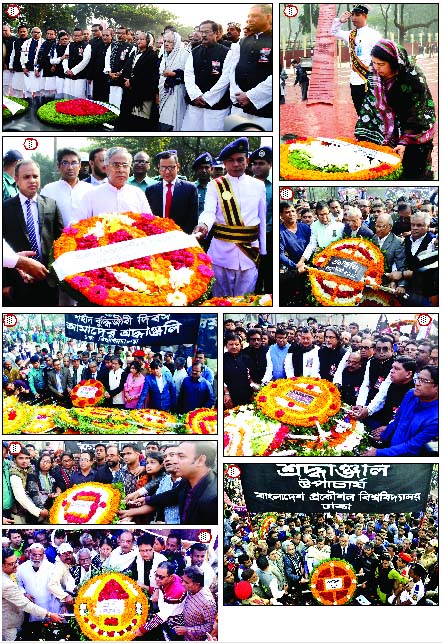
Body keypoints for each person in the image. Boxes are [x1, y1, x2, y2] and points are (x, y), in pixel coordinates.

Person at [194, 137, 266, 296]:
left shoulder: (258, 185)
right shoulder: (216, 185)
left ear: (247, 160)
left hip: (249, 253)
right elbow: (209, 211)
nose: (236, 164)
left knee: (244, 300)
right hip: (221, 253)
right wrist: (204, 225)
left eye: (240, 160)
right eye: (230, 160)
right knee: (220, 299)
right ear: (224, 163)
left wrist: (264, 251)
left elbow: (261, 218)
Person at [355, 39, 436, 179]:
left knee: (414, 172)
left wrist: (404, 141)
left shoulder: (413, 78)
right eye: (374, 63)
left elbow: (416, 113)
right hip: (386, 134)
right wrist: (364, 136)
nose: (376, 67)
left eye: (381, 64)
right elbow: (370, 104)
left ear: (394, 63)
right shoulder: (374, 75)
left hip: (414, 134)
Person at [3, 160, 64, 306]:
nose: (32, 180)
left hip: (48, 278)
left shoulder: (51, 204)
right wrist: (4, 283)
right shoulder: (5, 208)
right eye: (26, 177)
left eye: (35, 176)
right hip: (18, 281)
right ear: (16, 179)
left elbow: (61, 240)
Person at [363, 365, 438, 456]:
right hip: (391, 447)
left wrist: (379, 453)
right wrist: (383, 436)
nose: (417, 383)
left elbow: (412, 446)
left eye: (424, 381)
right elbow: (397, 419)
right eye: (418, 379)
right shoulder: (411, 394)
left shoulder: (436, 419)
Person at [2, 547, 62, 640]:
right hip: (8, 626)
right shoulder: (6, 583)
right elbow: (25, 605)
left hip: (45, 607)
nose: (16, 565)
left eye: (16, 561)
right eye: (11, 564)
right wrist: (49, 615)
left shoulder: (51, 567)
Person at [330, 5, 381, 114]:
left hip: (369, 81)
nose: (354, 18)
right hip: (354, 82)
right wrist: (340, 21)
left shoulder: (374, 35)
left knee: (373, 114)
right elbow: (333, 32)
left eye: (357, 15)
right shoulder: (350, 35)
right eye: (352, 15)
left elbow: (381, 56)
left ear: (365, 16)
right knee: (360, 113)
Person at [75, 147, 151, 218]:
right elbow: (78, 225)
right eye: (116, 165)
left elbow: (150, 223)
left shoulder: (137, 193)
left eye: (125, 165)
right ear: (106, 168)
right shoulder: (91, 195)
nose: (121, 170)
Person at [182, 20, 231, 131]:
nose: (203, 35)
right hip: (195, 104)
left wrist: (208, 98)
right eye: (201, 32)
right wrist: (195, 95)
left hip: (216, 106)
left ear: (216, 33)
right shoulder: (194, 52)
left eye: (207, 32)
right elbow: (189, 75)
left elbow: (225, 79)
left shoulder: (227, 53)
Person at [146, 150, 199, 234]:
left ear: (178, 167)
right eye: (163, 167)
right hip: (156, 237)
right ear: (159, 168)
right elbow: (149, 216)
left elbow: (192, 219)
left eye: (170, 167)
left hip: (180, 237)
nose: (167, 172)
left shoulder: (190, 189)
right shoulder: (151, 190)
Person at [41, 148, 92, 227]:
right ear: (58, 165)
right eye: (65, 163)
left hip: (86, 237)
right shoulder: (48, 190)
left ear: (79, 166)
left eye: (74, 163)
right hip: (57, 238)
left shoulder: (90, 189)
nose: (70, 167)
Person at [134, 561, 186, 639]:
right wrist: (143, 586)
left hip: (173, 623)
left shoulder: (177, 591)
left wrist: (142, 630)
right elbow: (162, 592)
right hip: (163, 616)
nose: (157, 579)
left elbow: (161, 617)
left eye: (161, 577)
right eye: (156, 575)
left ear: (170, 577)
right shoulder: (170, 578)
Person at [119, 32, 158, 130]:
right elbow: (127, 67)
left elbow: (147, 74)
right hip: (129, 91)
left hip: (142, 93)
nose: (138, 41)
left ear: (148, 41)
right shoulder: (134, 53)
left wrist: (132, 82)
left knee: (139, 120)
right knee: (127, 118)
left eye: (142, 39)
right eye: (137, 39)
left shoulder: (152, 55)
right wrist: (125, 79)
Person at [296, 201, 344, 273]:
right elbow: (312, 244)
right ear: (317, 215)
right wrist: (301, 260)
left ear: (329, 212)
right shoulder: (314, 226)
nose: (324, 217)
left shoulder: (339, 225)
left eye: (326, 214)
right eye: (321, 215)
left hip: (340, 259)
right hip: (323, 259)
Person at [175, 566, 217, 639]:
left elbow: (210, 626)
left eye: (186, 582)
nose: (182, 584)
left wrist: (188, 630)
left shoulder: (207, 602)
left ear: (197, 584)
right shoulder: (192, 590)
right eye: (183, 580)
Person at [158, 30, 189, 131]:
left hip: (177, 91)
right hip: (164, 90)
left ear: (176, 43)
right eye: (165, 41)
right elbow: (161, 72)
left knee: (174, 120)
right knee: (164, 119)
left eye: (170, 42)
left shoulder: (185, 55)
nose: (166, 44)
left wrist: (174, 74)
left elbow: (189, 75)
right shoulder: (164, 55)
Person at [104, 26, 134, 109]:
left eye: (122, 33)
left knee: (120, 102)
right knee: (111, 101)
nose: (120, 35)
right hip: (111, 77)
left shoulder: (131, 47)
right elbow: (107, 59)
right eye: (118, 33)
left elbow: (129, 63)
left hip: (121, 79)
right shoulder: (113, 45)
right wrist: (109, 72)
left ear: (127, 34)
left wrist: (120, 73)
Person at [62, 27, 91, 98]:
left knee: (78, 97)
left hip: (80, 76)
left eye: (79, 35)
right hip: (68, 75)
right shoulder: (70, 45)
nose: (77, 37)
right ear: (73, 36)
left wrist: (73, 71)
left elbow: (85, 61)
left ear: (82, 35)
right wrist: (66, 70)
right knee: (67, 96)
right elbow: (65, 58)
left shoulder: (87, 46)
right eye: (75, 35)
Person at [21, 26, 45, 99]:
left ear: (41, 34)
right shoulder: (26, 42)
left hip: (39, 69)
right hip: (28, 68)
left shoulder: (44, 42)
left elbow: (43, 58)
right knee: (27, 88)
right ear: (31, 33)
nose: (36, 34)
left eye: (38, 32)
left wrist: (38, 68)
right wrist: (23, 67)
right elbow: (22, 56)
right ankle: (28, 103)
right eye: (35, 32)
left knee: (38, 89)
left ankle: (38, 106)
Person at [8, 24, 29, 98]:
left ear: (27, 32)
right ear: (18, 32)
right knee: (17, 88)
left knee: (28, 89)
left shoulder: (31, 41)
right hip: (17, 68)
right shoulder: (15, 42)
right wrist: (10, 65)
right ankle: (19, 105)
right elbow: (12, 54)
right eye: (21, 31)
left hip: (28, 69)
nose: (23, 33)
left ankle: (28, 105)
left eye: (24, 31)